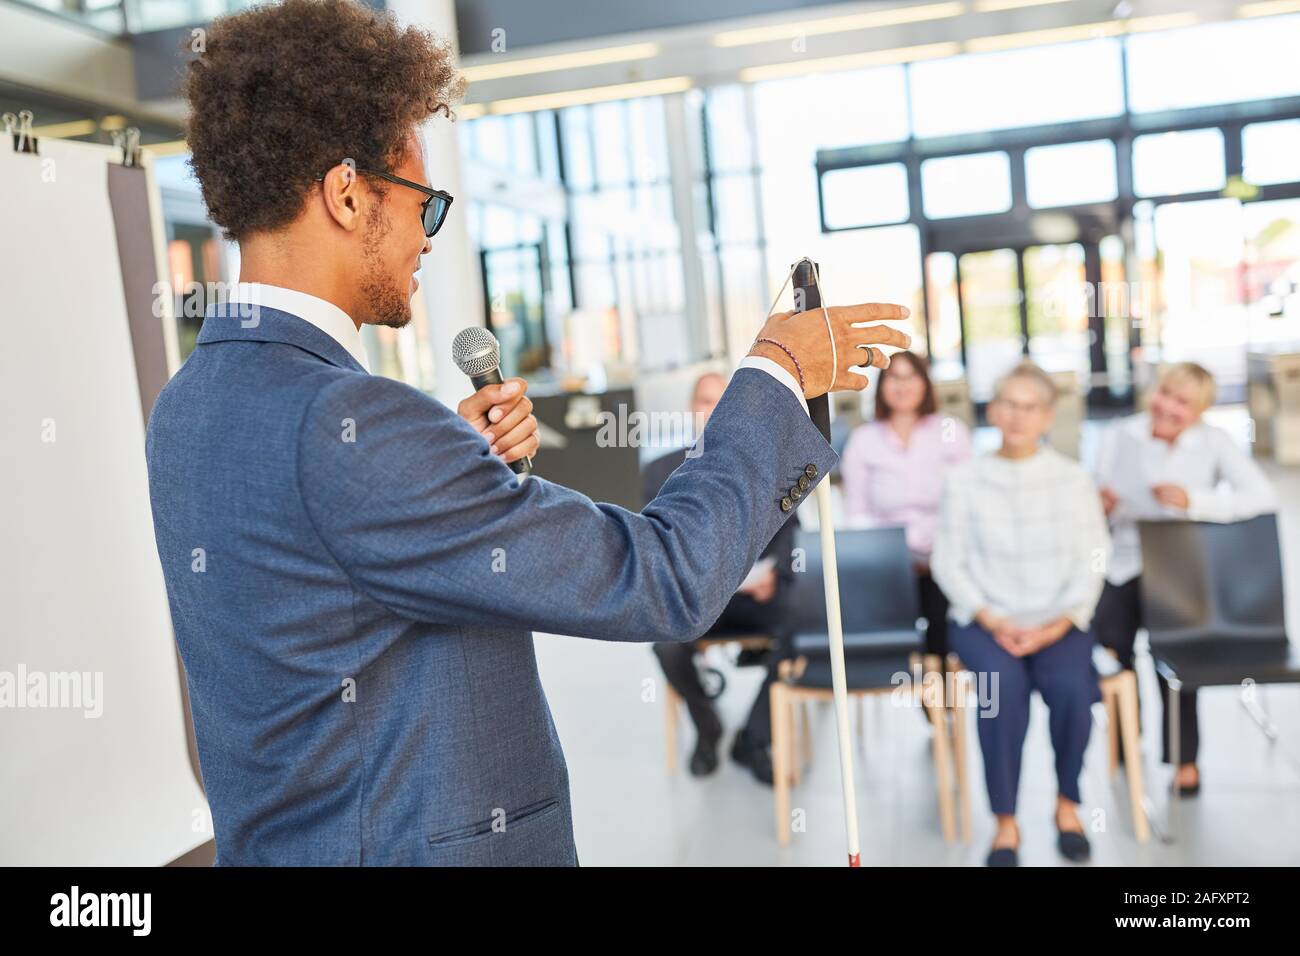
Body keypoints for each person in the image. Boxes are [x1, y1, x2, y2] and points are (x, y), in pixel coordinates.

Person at [144, 0, 910, 866]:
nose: (428, 241)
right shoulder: (357, 428)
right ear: (348, 193)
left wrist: (452, 471)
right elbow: (662, 579)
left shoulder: (189, 405)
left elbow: (329, 583)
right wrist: (773, 372)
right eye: (423, 204)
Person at [931, 362, 1110, 867]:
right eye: (1008, 403)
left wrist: (1058, 623)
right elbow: (949, 560)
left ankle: (1067, 805)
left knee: (1074, 688)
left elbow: (1095, 556)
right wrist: (992, 619)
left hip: (1058, 619)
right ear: (993, 409)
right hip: (985, 620)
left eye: (1030, 407)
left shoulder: (1073, 479)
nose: (1017, 415)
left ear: (1048, 416)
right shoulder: (964, 479)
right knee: (999, 692)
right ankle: (1005, 822)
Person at [1092, 362, 1276, 794]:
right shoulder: (1119, 435)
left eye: (1184, 403)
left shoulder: (1214, 443)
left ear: (1201, 411)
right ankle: (1123, 740)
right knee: (1111, 654)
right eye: (1165, 394)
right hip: (1123, 563)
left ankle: (1183, 759)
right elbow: (1095, 504)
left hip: (1178, 570)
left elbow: (1261, 498)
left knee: (1175, 659)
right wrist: (1101, 504)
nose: (1169, 408)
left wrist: (1193, 499)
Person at [648, 372, 799, 785]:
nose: (712, 412)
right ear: (691, 410)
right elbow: (652, 546)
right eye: (704, 401)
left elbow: (791, 533)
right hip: (697, 603)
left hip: (757, 599)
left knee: (802, 628)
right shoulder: (661, 470)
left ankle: (753, 737)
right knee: (666, 647)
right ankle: (707, 724)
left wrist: (779, 574)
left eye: (722, 403)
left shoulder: (769, 467)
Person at [840, 352, 971, 665]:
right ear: (882, 386)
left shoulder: (950, 431)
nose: (903, 385)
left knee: (942, 601)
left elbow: (968, 501)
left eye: (910, 376)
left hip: (944, 556)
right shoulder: (864, 440)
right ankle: (913, 674)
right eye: (894, 378)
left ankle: (940, 688)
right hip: (891, 563)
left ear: (925, 383)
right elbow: (857, 515)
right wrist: (894, 557)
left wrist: (940, 552)